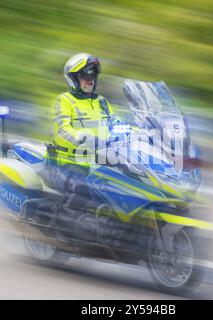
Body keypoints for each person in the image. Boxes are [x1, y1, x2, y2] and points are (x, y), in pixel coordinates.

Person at [48, 53, 118, 234]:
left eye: (93, 75)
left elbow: (117, 125)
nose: (90, 80)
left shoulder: (102, 102)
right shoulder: (64, 100)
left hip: (99, 164)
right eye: (85, 75)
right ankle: (63, 232)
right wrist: (84, 138)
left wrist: (144, 133)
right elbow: (61, 131)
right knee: (83, 189)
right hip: (68, 164)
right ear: (73, 79)